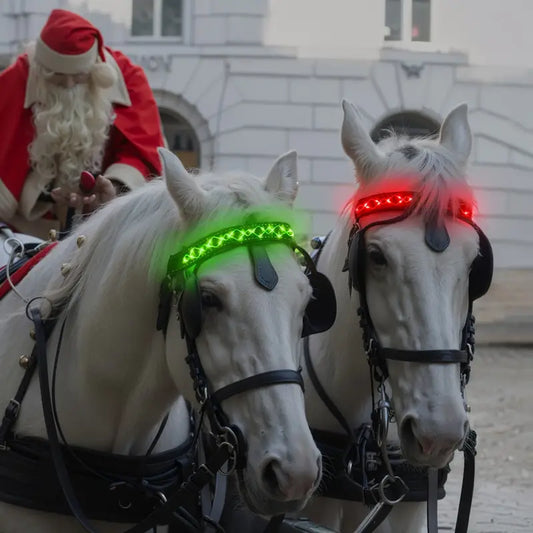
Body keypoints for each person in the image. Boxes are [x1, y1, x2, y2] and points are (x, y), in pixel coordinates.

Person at [0, 9, 165, 239]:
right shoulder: (16, 78)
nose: (68, 84)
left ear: (96, 68)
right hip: (29, 230)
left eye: (79, 76)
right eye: (56, 75)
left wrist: (113, 187)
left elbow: (144, 153)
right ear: (39, 67)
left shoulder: (129, 80)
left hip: (106, 229)